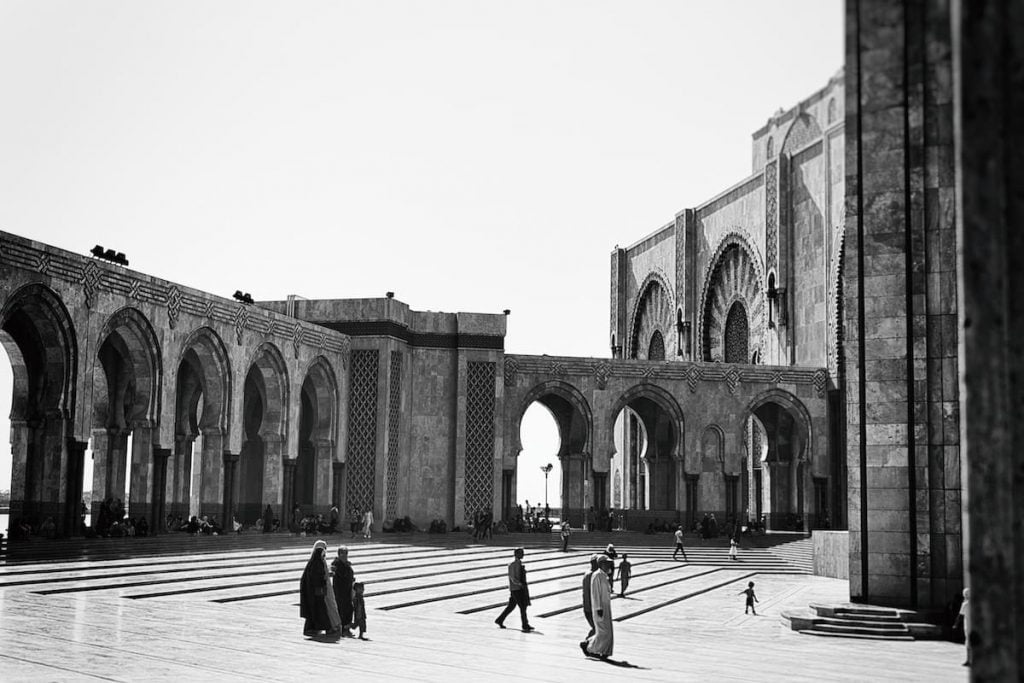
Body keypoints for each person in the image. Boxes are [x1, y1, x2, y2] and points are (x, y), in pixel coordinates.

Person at [299, 540, 341, 637]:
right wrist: (322, 584)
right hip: (317, 591)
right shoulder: (316, 562)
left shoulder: (317, 561)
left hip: (317, 591)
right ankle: (327, 628)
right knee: (319, 610)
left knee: (316, 610)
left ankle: (316, 628)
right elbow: (316, 576)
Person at [582, 555, 614, 659]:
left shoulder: (604, 575)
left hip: (606, 608)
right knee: (603, 632)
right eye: (607, 563)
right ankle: (589, 647)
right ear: (601, 564)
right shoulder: (597, 576)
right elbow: (595, 594)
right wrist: (598, 608)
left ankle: (603, 651)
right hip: (600, 609)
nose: (609, 565)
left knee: (607, 632)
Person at [494, 547, 532, 631]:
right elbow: (512, 577)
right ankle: (525, 625)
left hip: (519, 588)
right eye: (521, 553)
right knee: (522, 606)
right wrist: (519, 583)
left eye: (523, 553)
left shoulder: (519, 563)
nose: (523, 554)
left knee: (511, 606)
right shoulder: (512, 564)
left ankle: (499, 620)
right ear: (516, 554)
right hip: (515, 589)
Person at [331, 546, 356, 638]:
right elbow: (342, 574)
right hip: (340, 591)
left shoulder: (345, 564)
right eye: (343, 553)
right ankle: (342, 628)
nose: (345, 556)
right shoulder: (337, 564)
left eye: (346, 553)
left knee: (349, 608)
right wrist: (347, 566)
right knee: (342, 608)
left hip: (347, 590)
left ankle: (346, 627)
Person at [581, 554, 599, 639]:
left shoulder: (587, 574)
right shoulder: (592, 575)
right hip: (592, 608)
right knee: (597, 629)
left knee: (596, 629)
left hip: (588, 607)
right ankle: (586, 644)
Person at [953, 587, 971, 666]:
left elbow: (960, 616)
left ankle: (968, 660)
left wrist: (955, 624)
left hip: (968, 626)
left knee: (968, 643)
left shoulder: (965, 604)